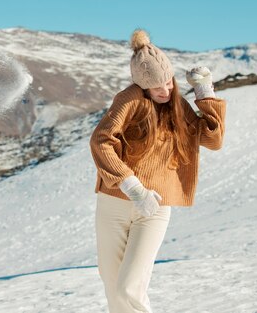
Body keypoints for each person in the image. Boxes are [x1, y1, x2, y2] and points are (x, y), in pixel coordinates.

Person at [90, 29, 226, 313]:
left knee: (130, 287)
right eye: (156, 87)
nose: (165, 90)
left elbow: (213, 140)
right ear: (142, 86)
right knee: (114, 287)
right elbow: (101, 140)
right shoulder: (129, 100)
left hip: (155, 207)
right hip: (114, 202)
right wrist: (133, 187)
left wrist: (204, 92)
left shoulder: (178, 106)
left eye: (168, 82)